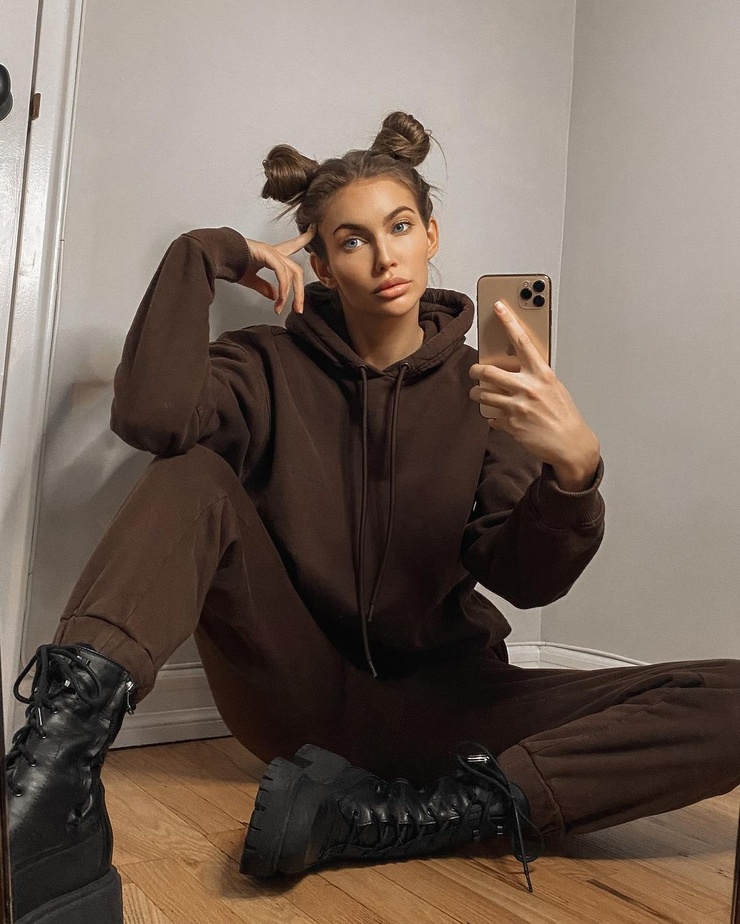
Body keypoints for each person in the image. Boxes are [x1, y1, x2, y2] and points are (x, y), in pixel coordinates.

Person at [5, 110, 740, 923]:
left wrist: (572, 473)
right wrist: (203, 254)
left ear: (431, 235)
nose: (385, 258)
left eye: (400, 227)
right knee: (192, 473)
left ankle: (397, 818)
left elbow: (525, 581)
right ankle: (53, 781)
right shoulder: (265, 364)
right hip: (291, 693)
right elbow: (153, 418)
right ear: (319, 263)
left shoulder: (488, 391)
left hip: (449, 705)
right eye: (352, 240)